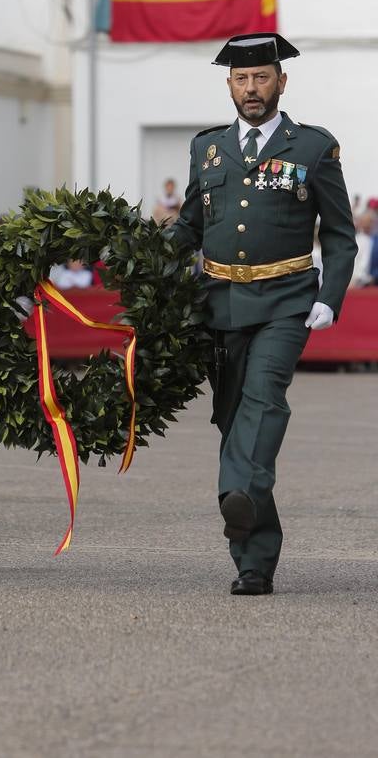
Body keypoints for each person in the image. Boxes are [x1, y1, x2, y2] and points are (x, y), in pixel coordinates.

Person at [170, 33, 357, 596]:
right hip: (219, 303)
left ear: (281, 81)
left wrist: (330, 296)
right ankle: (254, 560)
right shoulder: (208, 149)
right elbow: (189, 228)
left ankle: (237, 494)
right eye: (241, 79)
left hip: (286, 300)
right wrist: (138, 255)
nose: (251, 88)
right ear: (229, 85)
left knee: (263, 398)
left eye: (261, 77)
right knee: (232, 420)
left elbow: (342, 237)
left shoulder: (313, 148)